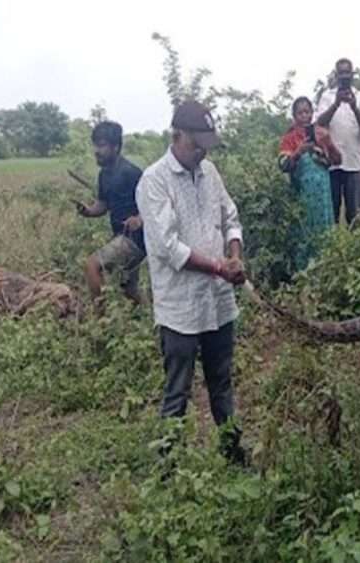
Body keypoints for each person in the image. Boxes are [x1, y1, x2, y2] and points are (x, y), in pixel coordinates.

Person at [136, 100, 247, 464]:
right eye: (195, 142)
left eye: (206, 144)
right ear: (177, 135)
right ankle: (168, 470)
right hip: (180, 308)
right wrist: (219, 267)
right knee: (178, 391)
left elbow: (230, 216)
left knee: (222, 383)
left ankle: (233, 456)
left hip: (218, 302)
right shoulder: (154, 181)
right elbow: (168, 249)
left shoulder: (209, 172)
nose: (202, 150)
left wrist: (234, 254)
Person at [75, 121, 145, 304]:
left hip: (134, 239)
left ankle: (101, 323)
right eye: (95, 145)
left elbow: (156, 203)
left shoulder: (131, 172)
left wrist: (140, 218)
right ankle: (152, 322)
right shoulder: (104, 174)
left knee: (92, 265)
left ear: (116, 147)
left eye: (102, 145)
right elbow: (103, 204)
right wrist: (88, 211)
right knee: (129, 290)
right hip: (119, 236)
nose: (96, 150)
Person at [279, 96, 342, 270]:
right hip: (301, 195)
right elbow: (283, 165)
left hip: (323, 195)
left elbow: (338, 160)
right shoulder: (289, 138)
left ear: (312, 114)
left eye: (307, 112)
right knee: (304, 233)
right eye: (300, 112)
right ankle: (303, 275)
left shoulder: (321, 134)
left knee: (325, 232)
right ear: (294, 115)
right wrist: (298, 152)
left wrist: (328, 143)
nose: (304, 116)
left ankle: (326, 270)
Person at [315, 58, 360, 225]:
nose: (345, 76)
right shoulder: (327, 96)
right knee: (332, 212)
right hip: (331, 164)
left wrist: (354, 107)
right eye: (342, 73)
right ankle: (333, 248)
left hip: (354, 163)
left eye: (348, 72)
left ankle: (355, 249)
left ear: (352, 75)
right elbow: (320, 123)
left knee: (354, 214)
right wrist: (336, 104)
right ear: (336, 75)